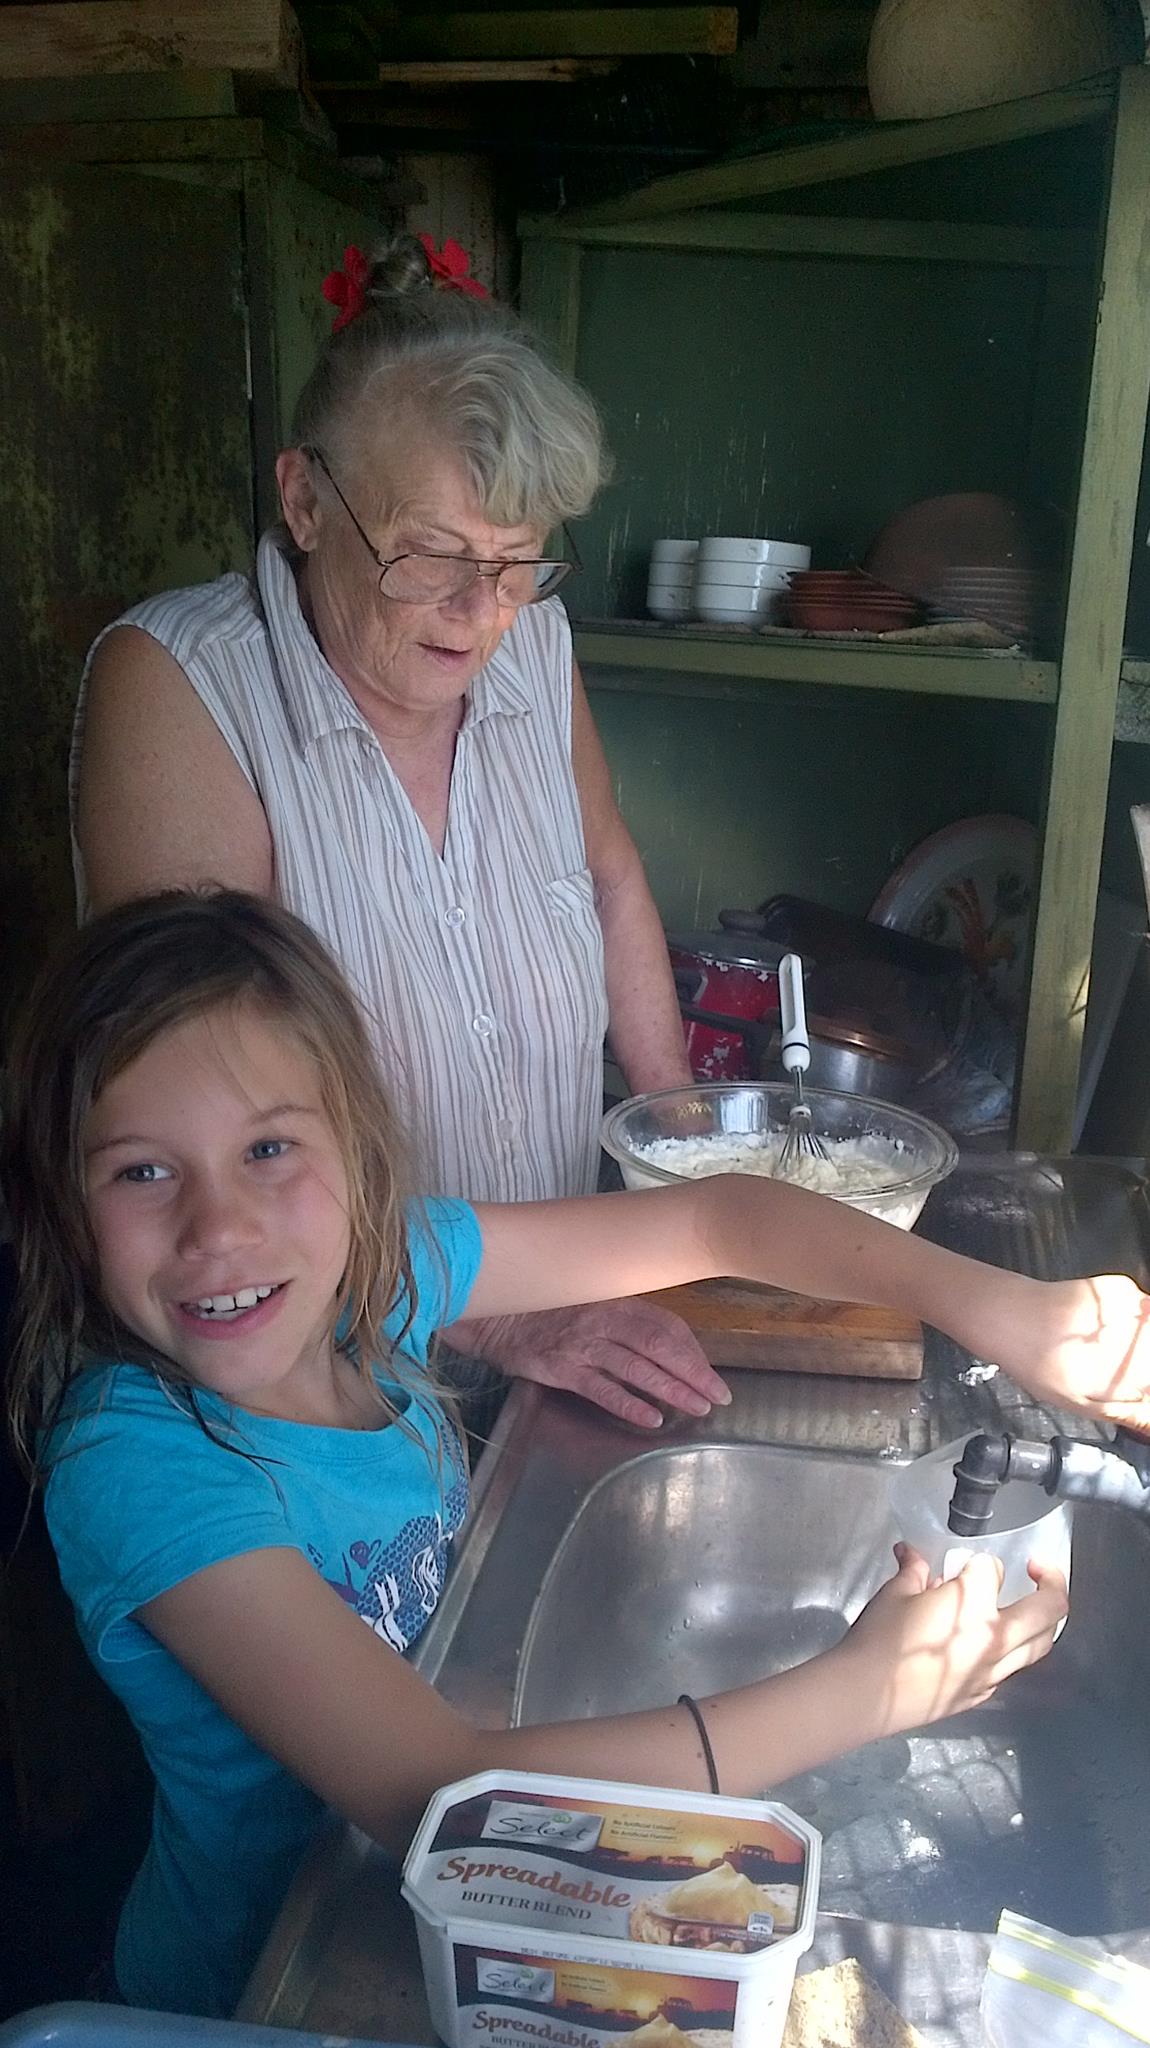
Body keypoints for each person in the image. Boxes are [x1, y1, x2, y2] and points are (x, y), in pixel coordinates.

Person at [12, 891, 1150, 2020]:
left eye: (268, 1146)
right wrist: (869, 1689)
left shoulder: (377, 1275)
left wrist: (1002, 1308)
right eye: (142, 1170)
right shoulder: (134, 1458)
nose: (219, 1225)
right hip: (268, 1982)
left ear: (353, 1154)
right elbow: (446, 1794)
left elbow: (720, 1221)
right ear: (66, 1200)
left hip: (430, 1902)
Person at [70, 232, 707, 1433]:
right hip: (327, 1377)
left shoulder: (535, 647)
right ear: (306, 499)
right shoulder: (182, 684)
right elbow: (202, 1104)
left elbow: (611, 876)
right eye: (431, 558)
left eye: (519, 565)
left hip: (566, 1325)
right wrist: (497, 1319)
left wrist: (679, 1140)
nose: (481, 614)